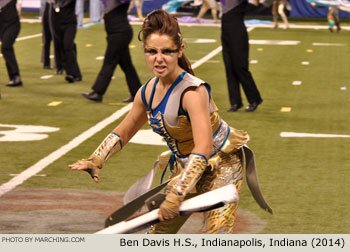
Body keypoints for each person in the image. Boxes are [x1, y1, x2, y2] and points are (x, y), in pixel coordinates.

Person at [69, 9, 272, 234]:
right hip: (187, 167)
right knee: (157, 235)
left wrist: (177, 193)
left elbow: (204, 147)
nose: (159, 58)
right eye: (151, 51)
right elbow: (124, 131)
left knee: (216, 237)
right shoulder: (146, 92)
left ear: (180, 50)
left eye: (167, 51)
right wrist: (96, 159)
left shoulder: (193, 92)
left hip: (220, 165)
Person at [82, 0, 141, 103]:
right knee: (127, 66)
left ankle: (98, 92)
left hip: (120, 34)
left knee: (109, 62)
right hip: (115, 33)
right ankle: (137, 93)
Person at [220, 0, 263, 112]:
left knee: (240, 67)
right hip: (225, 33)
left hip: (238, 34)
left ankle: (254, 99)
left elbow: (255, 3)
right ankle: (235, 102)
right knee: (229, 68)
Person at [49, 0, 82, 82]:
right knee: (61, 46)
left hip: (69, 22)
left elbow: (64, 3)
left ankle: (74, 73)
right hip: (56, 20)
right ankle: (68, 71)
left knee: (67, 45)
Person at [0, 0, 23, 87]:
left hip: (12, 24)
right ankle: (14, 77)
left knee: (6, 47)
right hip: (1, 25)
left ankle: (16, 76)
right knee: (6, 50)